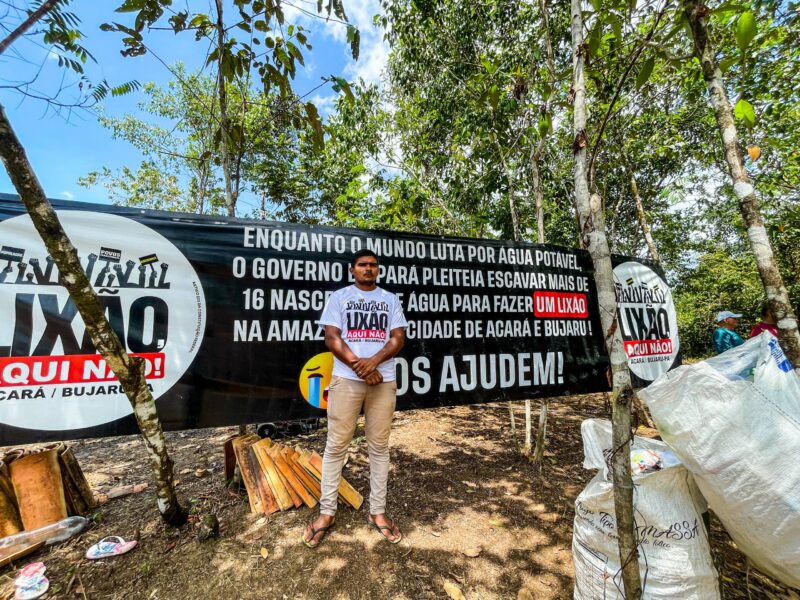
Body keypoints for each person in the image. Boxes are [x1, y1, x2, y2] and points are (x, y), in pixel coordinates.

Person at [302, 249, 407, 548]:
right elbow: (332, 338)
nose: (368, 269)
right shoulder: (339, 297)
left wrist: (372, 362)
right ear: (352, 270)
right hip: (346, 380)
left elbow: (398, 338)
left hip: (382, 381)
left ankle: (378, 511)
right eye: (362, 265)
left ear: (378, 270)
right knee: (335, 446)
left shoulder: (390, 299)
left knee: (379, 448)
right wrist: (360, 366)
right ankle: (326, 513)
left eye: (373, 265)